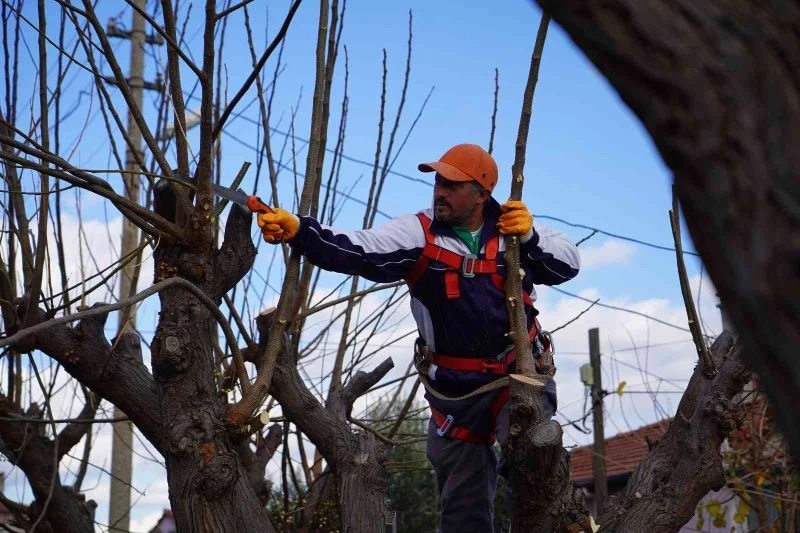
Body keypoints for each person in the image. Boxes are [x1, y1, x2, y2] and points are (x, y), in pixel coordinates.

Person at [256, 143, 580, 532]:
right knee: (462, 513)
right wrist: (300, 231)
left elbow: (567, 264)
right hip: (455, 392)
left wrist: (528, 237)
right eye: (438, 181)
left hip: (517, 378)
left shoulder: (515, 228)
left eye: (453, 184)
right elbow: (355, 249)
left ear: (482, 193)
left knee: (533, 472)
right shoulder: (418, 232)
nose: (440, 190)